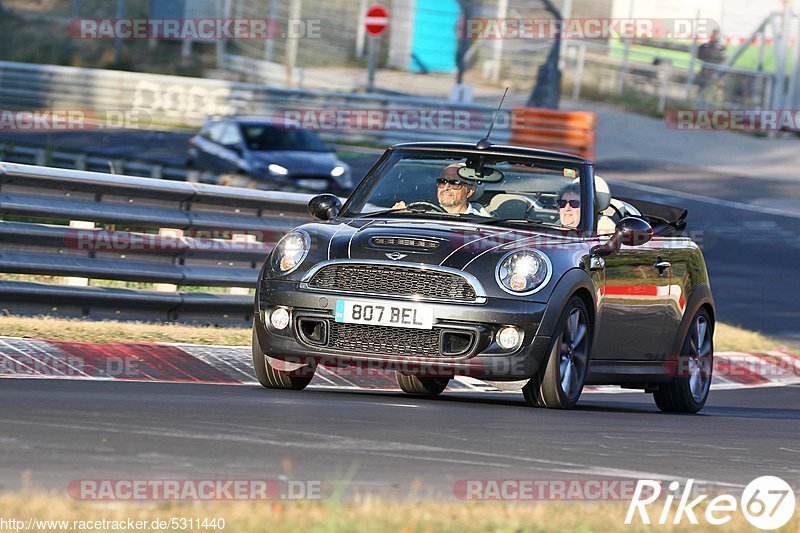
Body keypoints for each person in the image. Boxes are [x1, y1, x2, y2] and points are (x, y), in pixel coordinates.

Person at [394, 163, 489, 215]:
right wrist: (401, 216)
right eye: (442, 182)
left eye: (455, 183)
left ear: (469, 191)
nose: (446, 187)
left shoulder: (482, 223)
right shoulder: (423, 215)